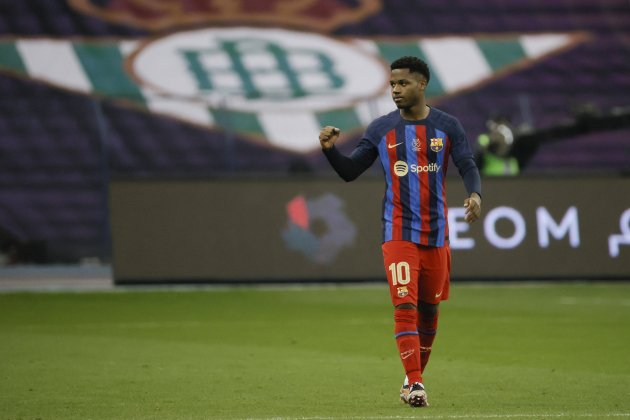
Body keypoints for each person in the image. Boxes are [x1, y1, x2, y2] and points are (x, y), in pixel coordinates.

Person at [319, 56, 482, 408]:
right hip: (398, 231)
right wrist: (330, 151)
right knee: (404, 304)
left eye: (403, 84)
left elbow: (467, 162)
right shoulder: (380, 130)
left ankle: (409, 381)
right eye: (392, 84)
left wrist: (475, 193)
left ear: (422, 84)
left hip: (437, 233)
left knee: (429, 311)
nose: (395, 90)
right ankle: (419, 384)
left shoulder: (447, 126)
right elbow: (350, 172)